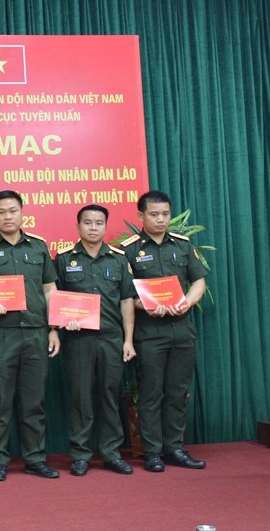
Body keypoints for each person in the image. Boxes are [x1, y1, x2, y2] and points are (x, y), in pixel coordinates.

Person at [0, 190, 60, 481]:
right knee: (0, 399)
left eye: (12, 211)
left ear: (23, 213)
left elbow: (49, 289)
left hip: (36, 332)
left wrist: (54, 328)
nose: (7, 216)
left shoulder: (38, 247)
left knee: (34, 400)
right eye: (1, 212)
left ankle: (35, 457)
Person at [120, 190, 207, 472]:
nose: (161, 220)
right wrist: (146, 305)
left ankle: (175, 448)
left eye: (165, 214)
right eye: (154, 214)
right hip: (149, 333)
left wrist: (187, 302)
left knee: (177, 392)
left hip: (181, 329)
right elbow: (125, 297)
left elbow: (198, 282)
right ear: (141, 216)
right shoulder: (129, 250)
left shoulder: (182, 245)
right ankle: (152, 452)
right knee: (150, 393)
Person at [54, 204, 136, 476]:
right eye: (87, 223)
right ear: (78, 227)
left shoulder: (118, 259)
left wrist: (128, 340)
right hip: (78, 339)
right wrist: (63, 321)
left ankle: (112, 453)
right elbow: (56, 300)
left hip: (112, 338)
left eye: (98, 223)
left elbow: (126, 301)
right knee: (80, 397)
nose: (93, 227)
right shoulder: (64, 258)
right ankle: (80, 454)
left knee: (109, 395)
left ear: (105, 226)